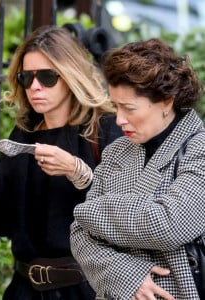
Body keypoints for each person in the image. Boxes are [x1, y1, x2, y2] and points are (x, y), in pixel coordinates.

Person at [0, 25, 123, 300]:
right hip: (25, 289)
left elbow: (127, 212)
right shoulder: (25, 132)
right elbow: (2, 222)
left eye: (48, 77)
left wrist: (78, 173)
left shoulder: (106, 129)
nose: (35, 87)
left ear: (70, 74)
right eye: (27, 78)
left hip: (87, 289)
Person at [70, 38, 205, 300]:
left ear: (166, 101)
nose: (119, 120)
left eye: (129, 108)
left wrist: (89, 210)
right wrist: (128, 276)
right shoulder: (117, 151)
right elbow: (78, 236)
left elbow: (169, 225)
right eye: (116, 106)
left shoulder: (199, 148)